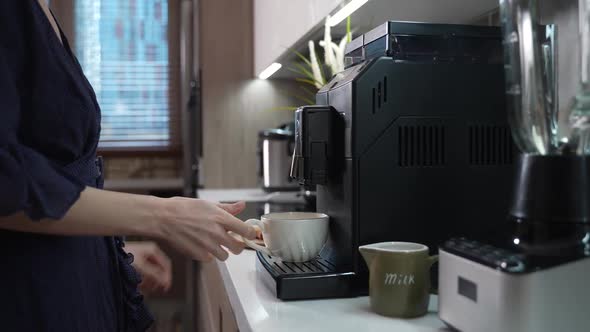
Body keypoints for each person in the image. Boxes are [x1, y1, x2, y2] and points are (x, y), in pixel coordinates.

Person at [0, 1, 256, 331]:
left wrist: (105, 250)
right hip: (31, 298)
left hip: (71, 278)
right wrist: (163, 216)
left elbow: (47, 186)